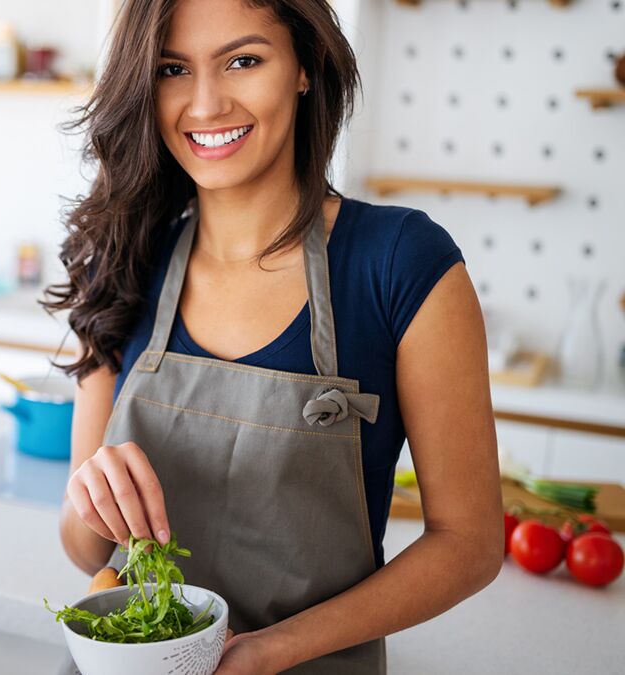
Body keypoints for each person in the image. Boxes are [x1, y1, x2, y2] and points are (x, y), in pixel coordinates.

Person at [42, 0, 503, 672]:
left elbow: (469, 542)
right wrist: (93, 494)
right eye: (173, 68)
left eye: (243, 60)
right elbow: (85, 552)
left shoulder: (402, 264)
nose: (205, 104)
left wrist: (272, 650)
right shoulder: (123, 262)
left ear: (304, 68)